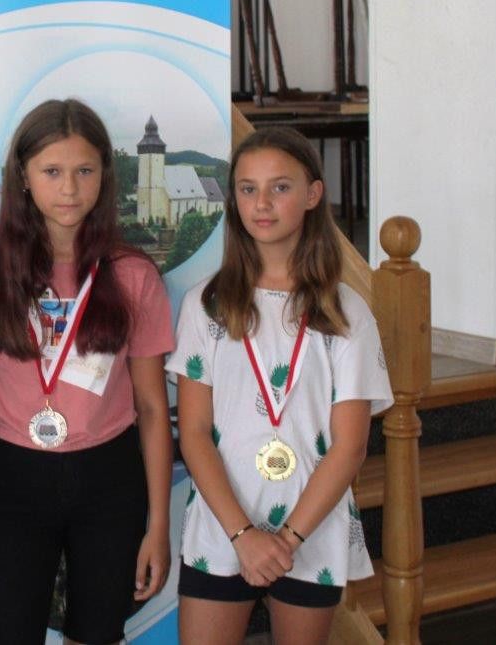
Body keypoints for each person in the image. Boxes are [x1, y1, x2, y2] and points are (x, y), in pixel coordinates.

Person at [0, 99, 175, 645]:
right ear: (23, 176)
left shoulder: (133, 275)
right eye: (52, 171)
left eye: (84, 171)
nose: (69, 188)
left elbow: (151, 406)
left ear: (104, 176)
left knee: (98, 633)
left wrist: (159, 526)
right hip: (16, 479)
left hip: (110, 479)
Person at [167, 128, 392, 645]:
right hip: (223, 526)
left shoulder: (346, 312)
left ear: (313, 194)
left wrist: (286, 539)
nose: (262, 204)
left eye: (280, 187)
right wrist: (244, 536)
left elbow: (350, 446)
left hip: (311, 528)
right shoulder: (206, 304)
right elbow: (194, 432)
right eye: (248, 189)